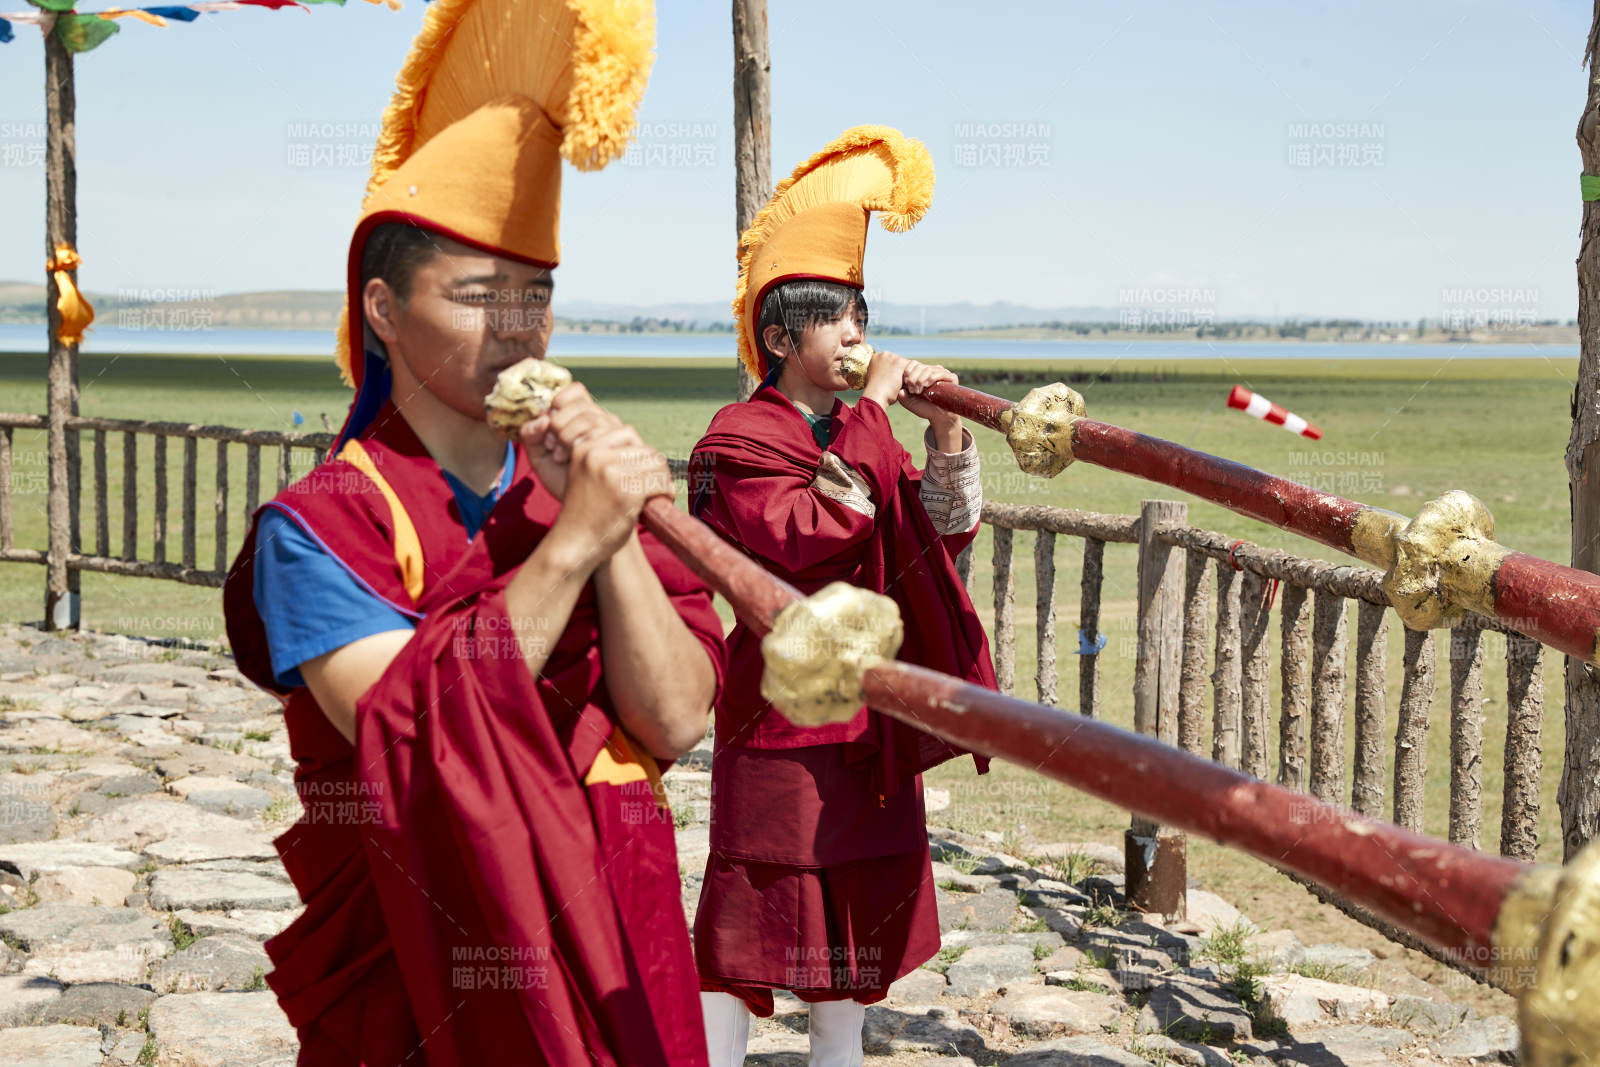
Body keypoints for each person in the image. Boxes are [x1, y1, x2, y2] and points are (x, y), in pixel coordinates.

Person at [223, 2, 725, 1063]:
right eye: (477, 295)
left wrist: (615, 527)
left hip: (612, 920)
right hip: (428, 937)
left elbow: (675, 717)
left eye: (535, 296)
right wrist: (572, 545)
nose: (515, 328)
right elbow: (412, 736)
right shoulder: (318, 528)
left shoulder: (571, 499)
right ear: (382, 312)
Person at [688, 126, 997, 1067]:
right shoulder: (740, 438)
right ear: (781, 339)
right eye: (837, 321)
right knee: (746, 920)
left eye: (862, 317)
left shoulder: (856, 430)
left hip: (865, 716)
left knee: (853, 931)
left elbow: (928, 536)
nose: (859, 337)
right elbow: (813, 531)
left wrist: (944, 433)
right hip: (779, 720)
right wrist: (871, 411)